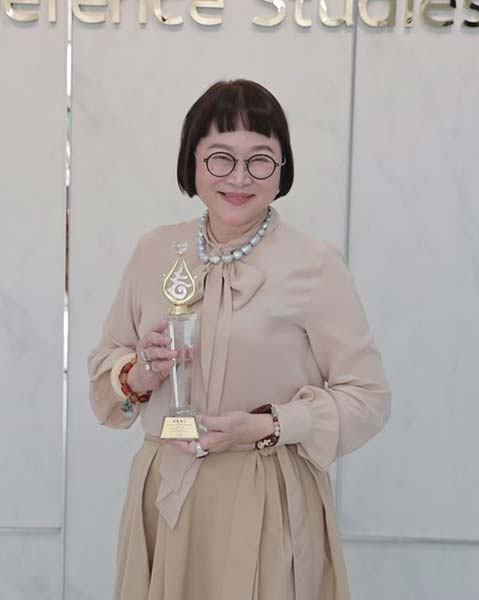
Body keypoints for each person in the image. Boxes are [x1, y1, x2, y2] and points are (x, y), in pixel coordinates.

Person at [87, 78, 392, 600]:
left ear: (282, 169)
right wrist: (139, 372)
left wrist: (270, 426)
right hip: (166, 497)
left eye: (260, 160)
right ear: (192, 161)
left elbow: (369, 397)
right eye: (221, 158)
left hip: (269, 498)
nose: (239, 177)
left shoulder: (316, 265)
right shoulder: (154, 251)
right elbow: (106, 371)